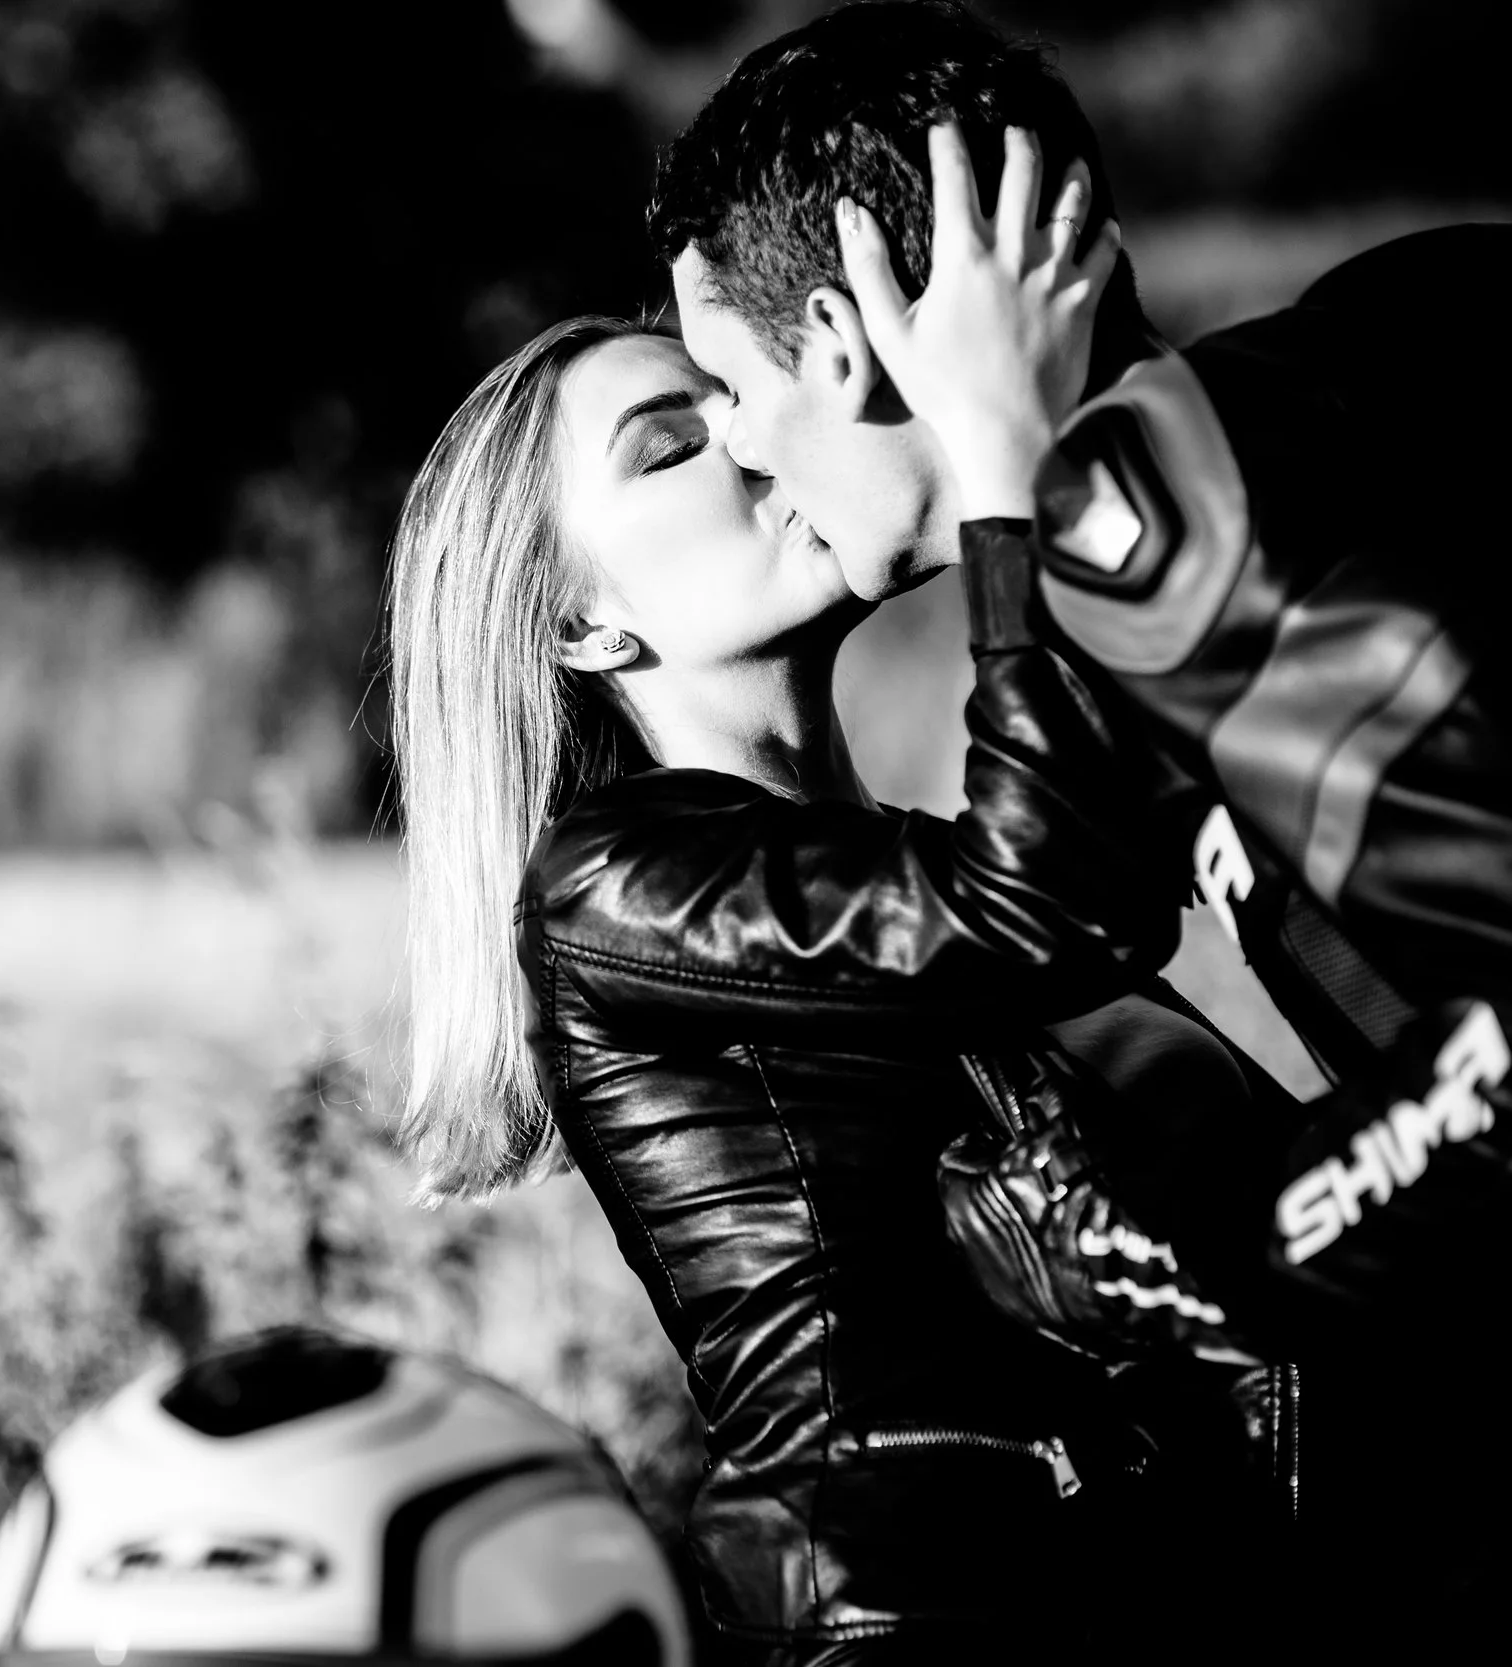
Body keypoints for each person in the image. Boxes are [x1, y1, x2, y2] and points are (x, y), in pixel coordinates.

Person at [644, 0, 1512, 1643]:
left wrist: (1219, 1251)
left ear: (840, 342)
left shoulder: (1141, 523)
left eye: (728, 387)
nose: (743, 448)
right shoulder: (1386, 330)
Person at [384, 244, 1290, 1658]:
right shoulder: (611, 887)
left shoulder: (921, 873)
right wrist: (1004, 465)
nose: (752, 444)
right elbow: (1045, 894)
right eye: (670, 448)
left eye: (739, 401)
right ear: (581, 624)